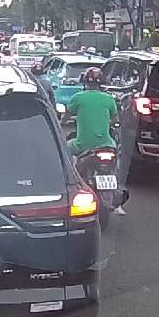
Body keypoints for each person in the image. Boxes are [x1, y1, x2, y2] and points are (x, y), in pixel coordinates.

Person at [63, 67, 126, 215]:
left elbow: (65, 117)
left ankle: (70, 182)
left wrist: (61, 123)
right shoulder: (108, 98)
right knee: (115, 162)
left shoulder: (78, 98)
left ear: (85, 82)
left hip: (82, 145)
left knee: (65, 149)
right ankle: (117, 201)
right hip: (106, 144)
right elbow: (115, 120)